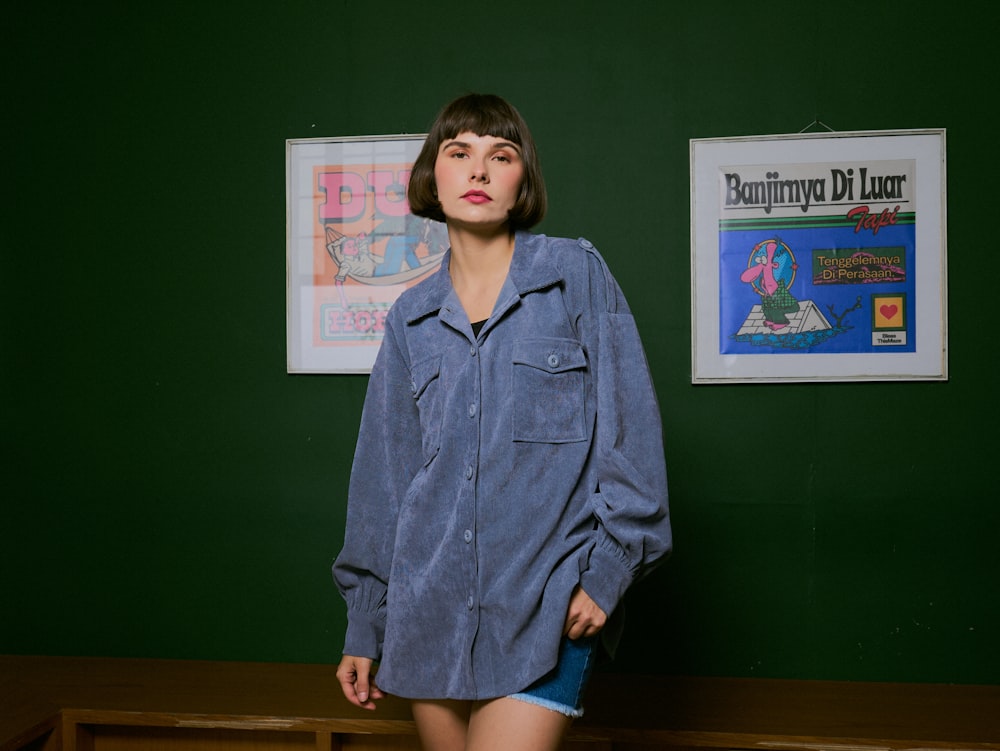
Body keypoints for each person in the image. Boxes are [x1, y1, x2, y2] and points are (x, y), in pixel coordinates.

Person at [332, 93, 672, 751]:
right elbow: (385, 481)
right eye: (459, 153)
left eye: (501, 155)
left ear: (522, 184)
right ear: (434, 177)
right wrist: (363, 623)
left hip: (544, 611)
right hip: (427, 617)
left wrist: (605, 572)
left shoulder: (577, 275)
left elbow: (631, 439)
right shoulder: (410, 318)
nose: (479, 171)